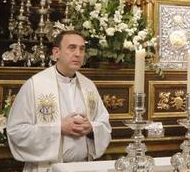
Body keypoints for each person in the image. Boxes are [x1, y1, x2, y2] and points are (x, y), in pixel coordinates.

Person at [6, 31, 111, 172]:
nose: (78, 54)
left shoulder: (89, 86)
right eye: (72, 48)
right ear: (56, 53)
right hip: (47, 168)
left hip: (84, 167)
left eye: (82, 49)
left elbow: (104, 124)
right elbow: (16, 131)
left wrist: (91, 128)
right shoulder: (35, 85)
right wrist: (58, 128)